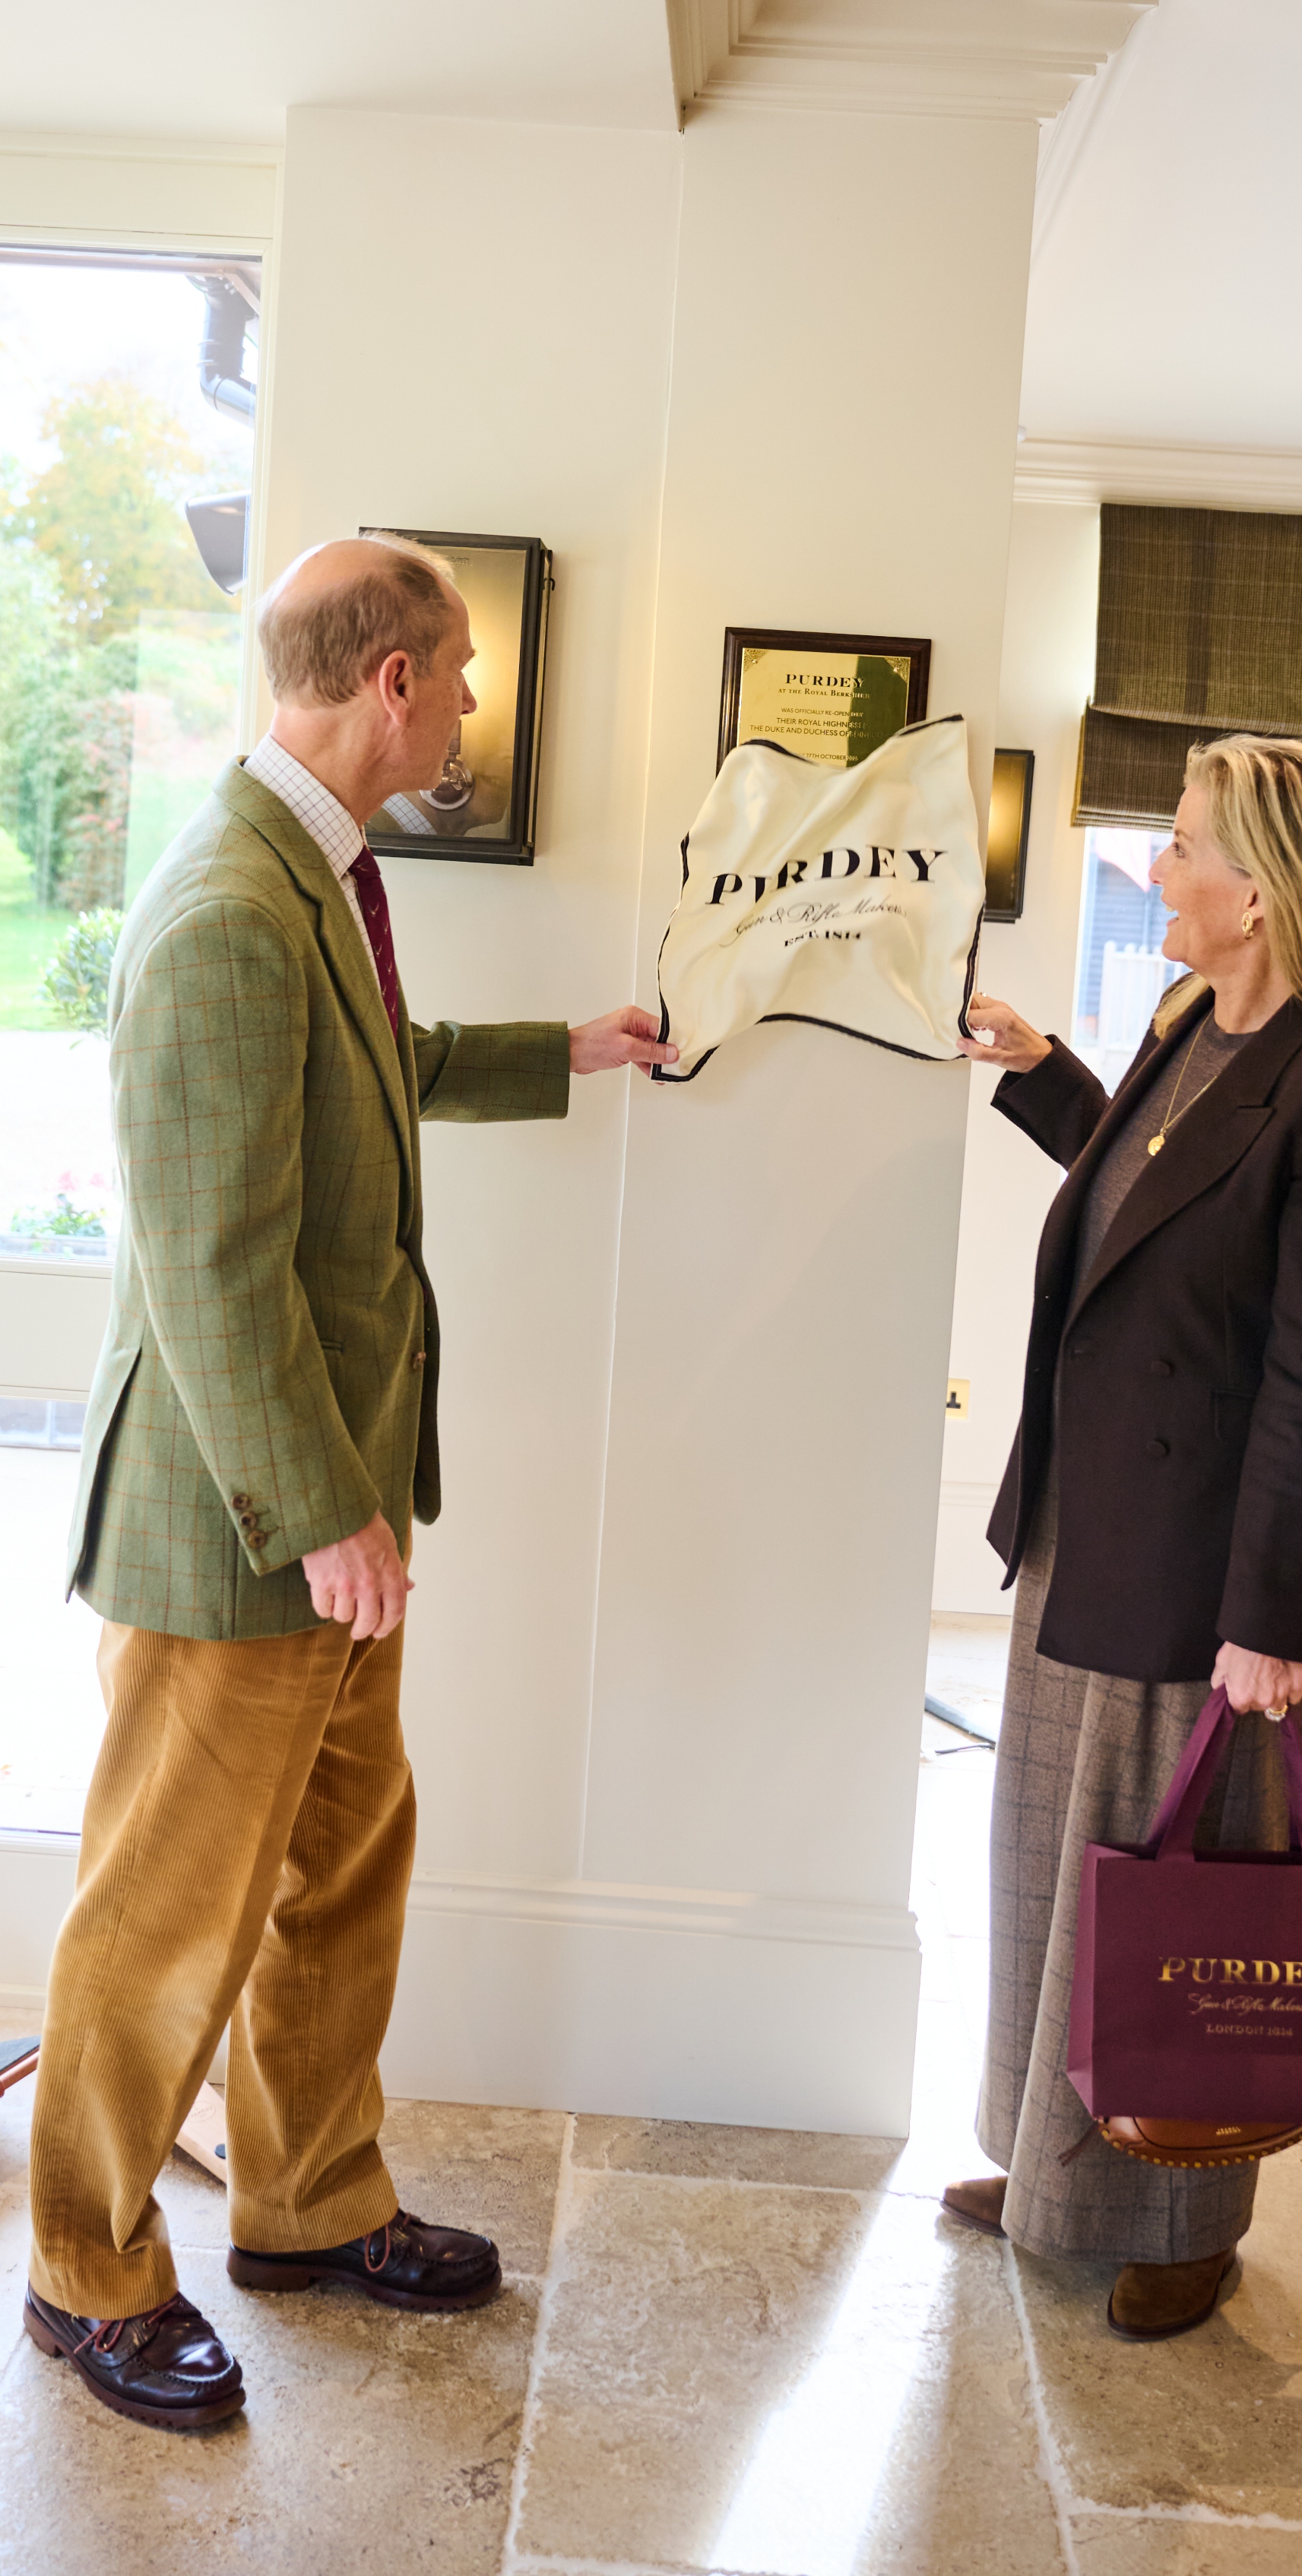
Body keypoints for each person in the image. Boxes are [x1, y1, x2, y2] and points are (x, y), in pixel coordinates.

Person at [24, 533, 678, 2430]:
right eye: (459, 671)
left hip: (334, 1506)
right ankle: (85, 2266)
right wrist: (322, 1513)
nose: (471, 702)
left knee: (341, 1866)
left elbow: (364, 1069)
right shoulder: (229, 903)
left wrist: (562, 1051)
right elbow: (217, 1264)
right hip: (252, 1525)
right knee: (166, 1917)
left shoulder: (309, 877)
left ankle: (306, 2205)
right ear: (388, 680)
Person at [946, 735, 1302, 2340]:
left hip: (1210, 1573)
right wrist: (1040, 1071)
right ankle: (1047, 2166)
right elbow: (1136, 1191)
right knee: (1049, 1869)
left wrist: (1269, 1619)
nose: (1157, 869)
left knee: (1180, 1906)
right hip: (1089, 1523)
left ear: (1264, 893)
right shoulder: (1183, 1025)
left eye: (1184, 845)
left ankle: (1183, 2219)